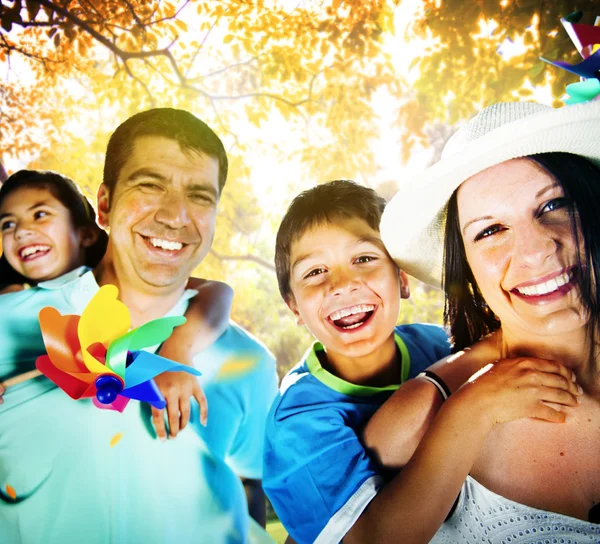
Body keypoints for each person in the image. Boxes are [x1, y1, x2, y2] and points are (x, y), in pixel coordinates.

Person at [0, 108, 278, 543]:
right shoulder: (11, 327)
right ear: (105, 206)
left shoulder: (249, 364)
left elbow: (256, 483)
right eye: (150, 185)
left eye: (200, 196)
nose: (175, 215)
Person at [366, 99, 600, 542]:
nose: (536, 251)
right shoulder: (419, 420)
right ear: (466, 268)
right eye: (490, 231)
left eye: (554, 205)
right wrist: (468, 412)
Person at [263, 179, 452, 543]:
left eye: (363, 259)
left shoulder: (442, 344)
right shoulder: (297, 422)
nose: (342, 285)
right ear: (294, 307)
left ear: (402, 278)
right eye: (315, 272)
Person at [0, 169, 233, 438]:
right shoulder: (12, 306)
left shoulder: (120, 284)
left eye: (40, 215)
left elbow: (217, 291)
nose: (21, 232)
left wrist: (177, 351)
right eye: (7, 224)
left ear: (86, 234)